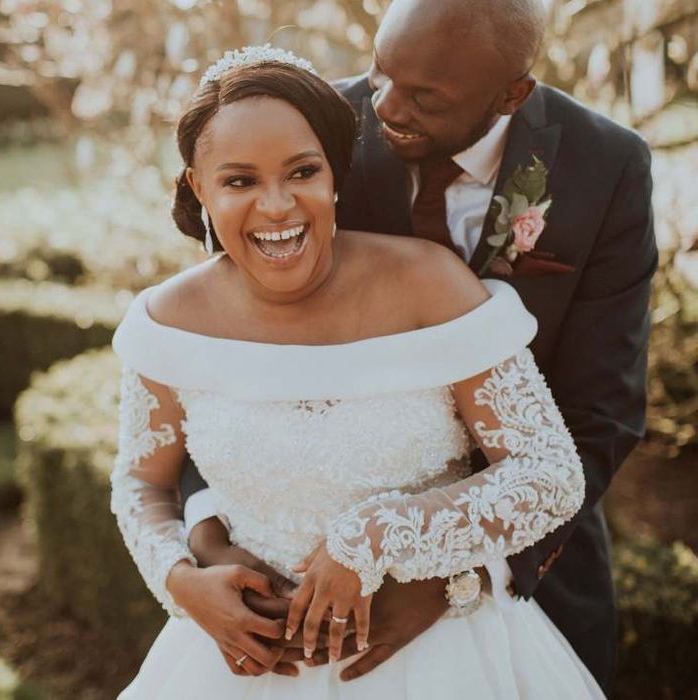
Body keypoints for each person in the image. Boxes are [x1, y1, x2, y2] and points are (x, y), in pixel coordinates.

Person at [183, 0, 657, 692]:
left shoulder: (605, 167)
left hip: (523, 578)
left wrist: (453, 579)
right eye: (380, 71)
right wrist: (206, 540)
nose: (385, 106)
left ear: (510, 95)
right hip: (292, 589)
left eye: (425, 97)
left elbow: (602, 413)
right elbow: (214, 355)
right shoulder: (315, 132)